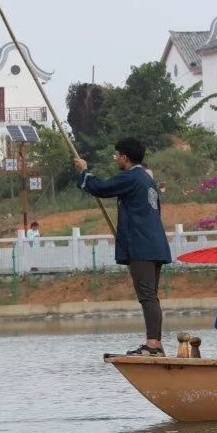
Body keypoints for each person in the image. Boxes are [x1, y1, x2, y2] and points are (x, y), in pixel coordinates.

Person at [74, 138, 172, 356]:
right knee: (151, 296)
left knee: (147, 296)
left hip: (142, 246)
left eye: (116, 155)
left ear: (125, 158)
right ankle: (155, 344)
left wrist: (84, 171)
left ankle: (153, 345)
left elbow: (100, 187)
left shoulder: (132, 177)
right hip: (154, 244)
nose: (116, 158)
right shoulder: (146, 179)